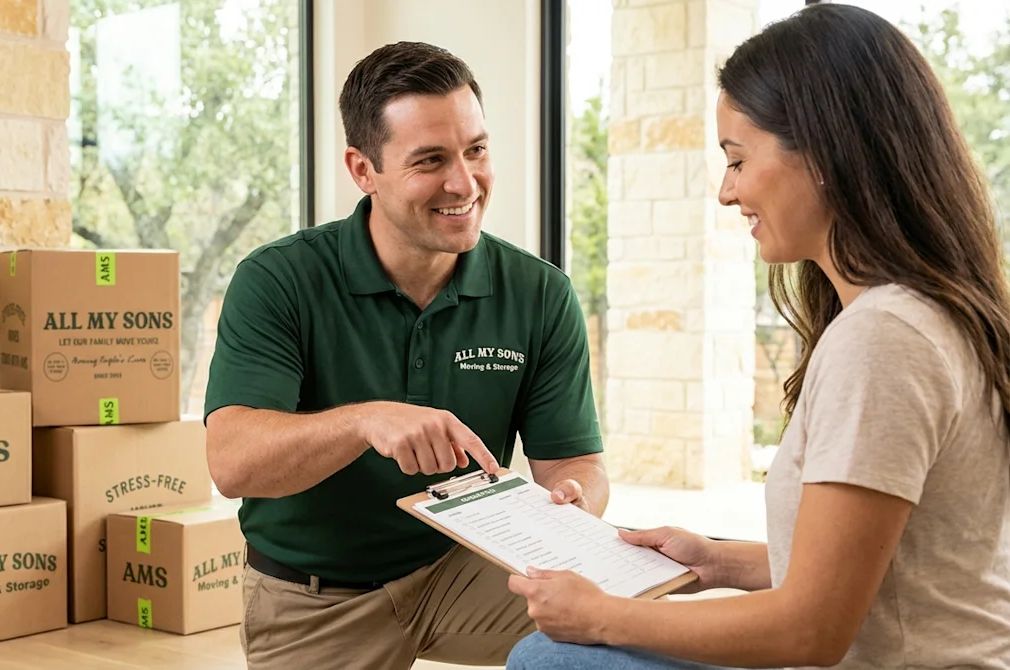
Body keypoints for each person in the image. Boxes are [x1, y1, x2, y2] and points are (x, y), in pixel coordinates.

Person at [505, 4, 1010, 669]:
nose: (725, 191)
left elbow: (811, 631)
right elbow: (883, 567)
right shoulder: (925, 314)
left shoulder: (885, 339)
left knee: (551, 659)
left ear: (825, 150)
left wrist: (602, 616)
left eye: (738, 160)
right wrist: (714, 560)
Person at [202, 40, 609, 669]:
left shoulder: (539, 292)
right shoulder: (278, 280)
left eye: (476, 150)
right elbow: (232, 463)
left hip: (466, 570)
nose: (463, 182)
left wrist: (574, 504)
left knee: (630, 628)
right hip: (317, 599)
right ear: (363, 170)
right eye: (430, 160)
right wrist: (367, 421)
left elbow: (573, 462)